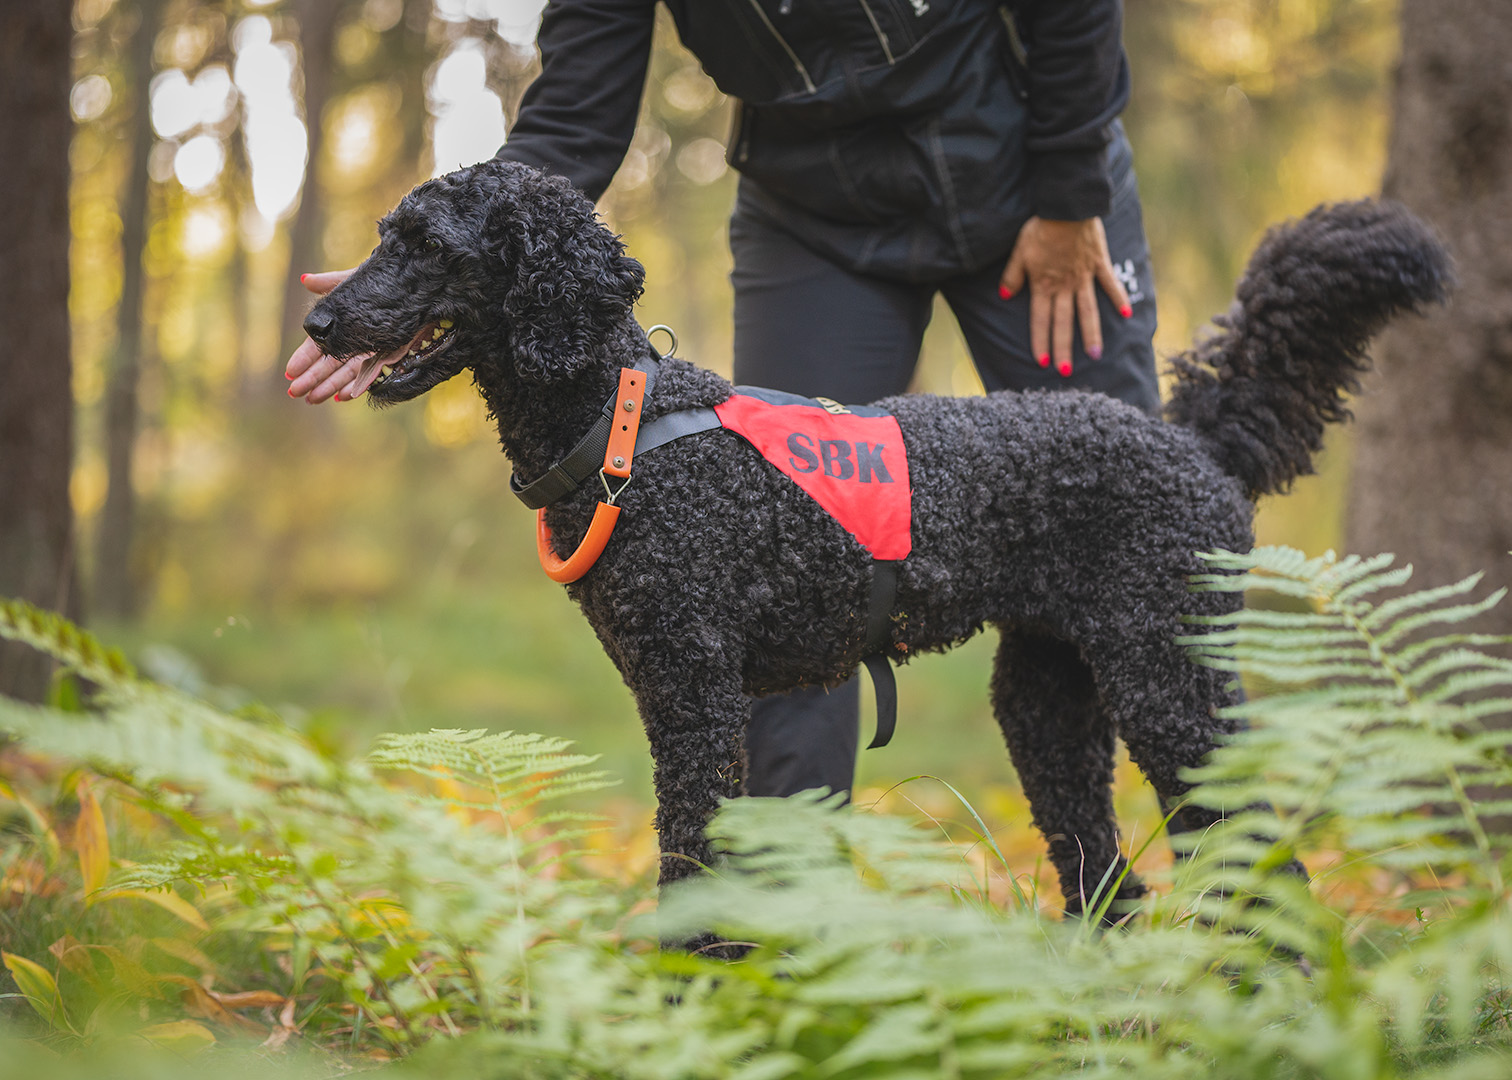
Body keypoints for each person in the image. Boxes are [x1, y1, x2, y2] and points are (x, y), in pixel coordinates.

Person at [286, 0, 1159, 801]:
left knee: (1135, 536)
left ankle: (1227, 900)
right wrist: (427, 269)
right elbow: (574, 117)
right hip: (819, 222)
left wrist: (1072, 186)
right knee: (765, 562)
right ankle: (776, 930)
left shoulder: (1057, 182)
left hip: (1033, 175)